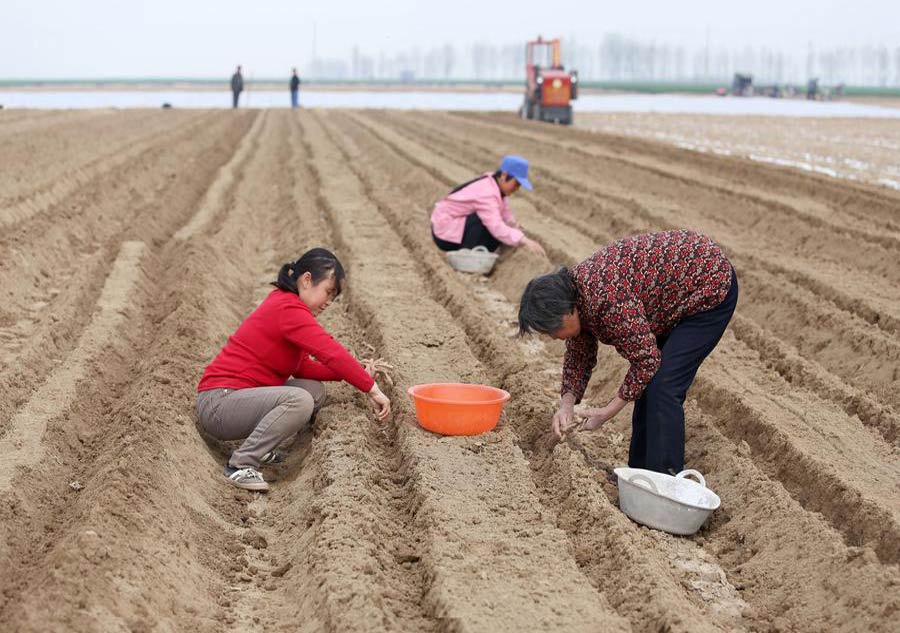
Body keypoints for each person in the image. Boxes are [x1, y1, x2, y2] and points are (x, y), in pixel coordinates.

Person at [517, 229, 738, 475]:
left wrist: (607, 411)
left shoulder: (606, 300)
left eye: (552, 330)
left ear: (567, 312)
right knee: (649, 385)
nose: (555, 337)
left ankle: (664, 478)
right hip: (670, 293)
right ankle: (639, 473)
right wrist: (566, 406)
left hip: (708, 286)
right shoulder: (576, 294)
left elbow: (646, 360)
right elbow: (579, 354)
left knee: (663, 387)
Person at [195, 248, 392, 491]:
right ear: (307, 280)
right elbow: (330, 351)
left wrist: (354, 372)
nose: (329, 302)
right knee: (300, 401)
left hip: (237, 397)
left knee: (312, 391)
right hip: (219, 404)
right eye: (328, 292)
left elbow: (301, 368)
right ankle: (241, 463)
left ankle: (262, 445)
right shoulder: (288, 309)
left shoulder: (286, 304)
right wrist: (371, 389)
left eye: (334, 297)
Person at [430, 155, 546, 256]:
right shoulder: (487, 193)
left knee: (498, 225)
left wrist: (517, 230)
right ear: (504, 176)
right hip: (444, 232)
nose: (517, 189)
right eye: (516, 184)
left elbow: (505, 214)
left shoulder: (495, 185)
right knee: (488, 226)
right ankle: (470, 255)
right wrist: (523, 240)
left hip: (452, 226)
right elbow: (496, 227)